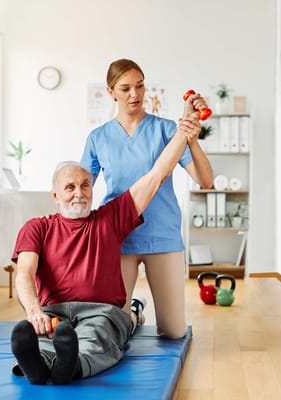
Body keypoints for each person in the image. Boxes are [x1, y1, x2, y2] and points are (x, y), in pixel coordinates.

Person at [10, 114, 202, 385]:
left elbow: (157, 175)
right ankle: (39, 365)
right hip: (53, 311)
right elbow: (25, 274)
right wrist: (34, 311)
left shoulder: (110, 219)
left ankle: (71, 366)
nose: (79, 192)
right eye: (69, 187)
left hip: (100, 311)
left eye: (85, 185)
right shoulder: (36, 227)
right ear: (55, 196)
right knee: (43, 336)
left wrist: (183, 132)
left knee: (98, 334)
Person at [80, 58, 213, 339]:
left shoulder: (167, 130)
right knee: (115, 330)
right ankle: (132, 314)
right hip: (119, 237)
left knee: (174, 331)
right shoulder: (98, 137)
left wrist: (191, 137)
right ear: (111, 92)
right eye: (126, 88)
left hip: (161, 235)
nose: (135, 94)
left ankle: (136, 310)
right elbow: (84, 189)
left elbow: (206, 181)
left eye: (140, 86)